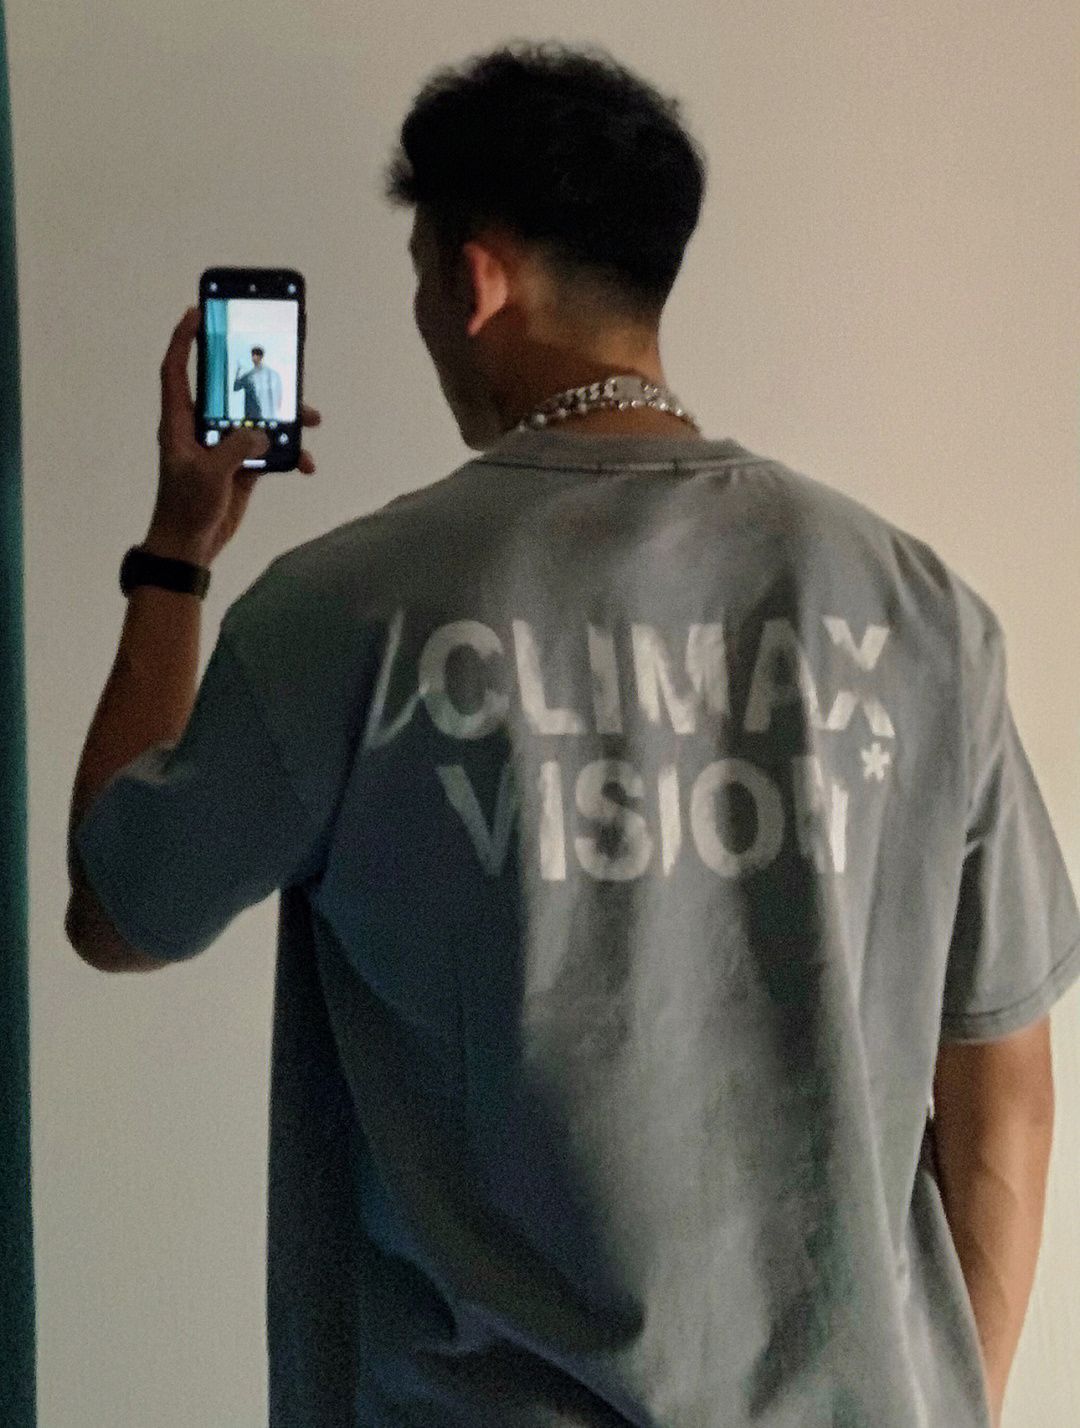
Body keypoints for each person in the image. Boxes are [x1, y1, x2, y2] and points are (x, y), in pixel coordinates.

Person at [72, 40, 1080, 1427]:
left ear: (475, 280)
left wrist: (177, 551)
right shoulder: (921, 613)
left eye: (422, 273)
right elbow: (1005, 1089)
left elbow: (122, 908)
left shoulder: (347, 610)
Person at [233, 345, 280, 420]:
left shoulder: (269, 374)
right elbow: (236, 388)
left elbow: (275, 396)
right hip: (250, 414)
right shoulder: (249, 375)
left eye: (256, 355)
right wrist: (238, 371)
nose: (254, 358)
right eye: (253, 355)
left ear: (261, 357)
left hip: (261, 414)